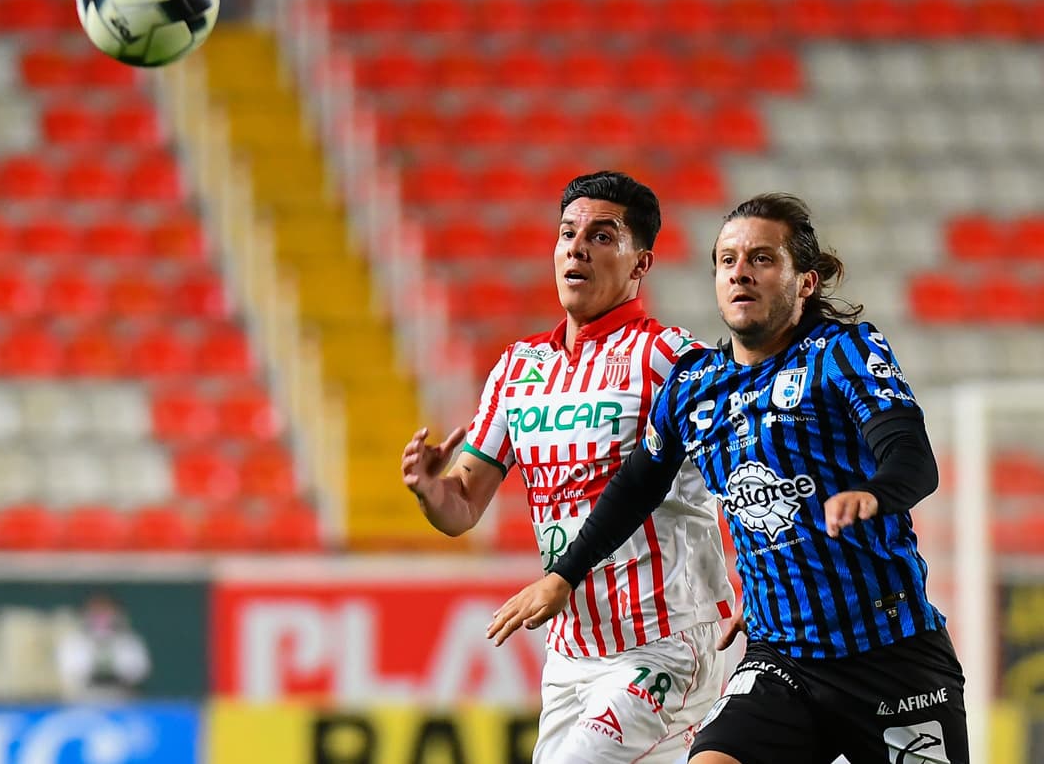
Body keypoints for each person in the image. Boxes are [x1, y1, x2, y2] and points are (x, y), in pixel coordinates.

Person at [487, 193, 969, 763]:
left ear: (805, 281)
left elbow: (913, 456)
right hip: (779, 660)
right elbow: (635, 490)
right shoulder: (695, 387)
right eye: (727, 260)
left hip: (889, 655)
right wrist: (563, 575)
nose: (740, 272)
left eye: (762, 259)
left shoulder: (844, 353)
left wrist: (872, 494)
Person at [401, 171, 736, 763]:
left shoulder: (672, 358)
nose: (577, 247)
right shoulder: (517, 368)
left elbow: (749, 478)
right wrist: (432, 490)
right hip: (571, 653)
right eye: (567, 233)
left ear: (641, 264)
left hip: (664, 643)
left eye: (603, 236)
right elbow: (462, 509)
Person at [55, 591, 151, 703]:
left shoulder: (129, 640)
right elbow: (69, 672)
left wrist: (115, 675)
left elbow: (139, 670)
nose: (101, 615)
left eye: (105, 609)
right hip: (83, 699)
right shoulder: (74, 641)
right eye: (96, 610)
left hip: (122, 699)